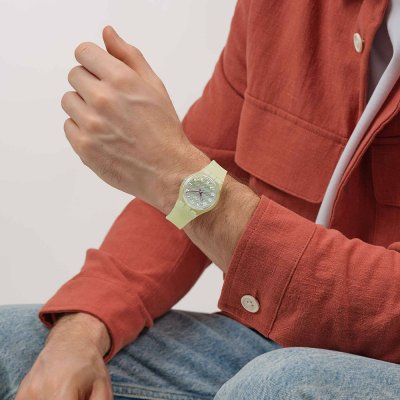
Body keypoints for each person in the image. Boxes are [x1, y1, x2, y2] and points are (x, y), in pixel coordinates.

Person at [2, 0, 400, 398]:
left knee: (274, 386)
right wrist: (82, 331)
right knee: (16, 343)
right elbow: (198, 178)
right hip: (273, 343)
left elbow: (185, 179)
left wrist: (173, 172)